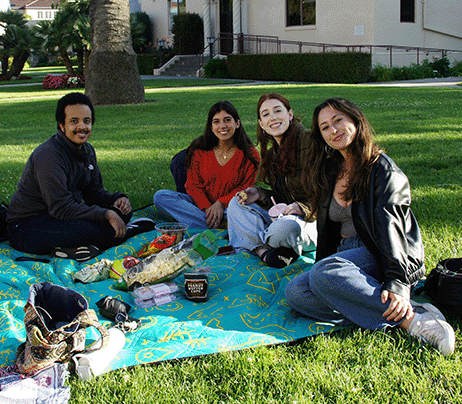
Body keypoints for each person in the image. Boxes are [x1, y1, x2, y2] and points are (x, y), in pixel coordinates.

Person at [285, 97, 455, 356]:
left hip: (380, 250)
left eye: (338, 120)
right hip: (344, 253)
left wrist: (397, 282)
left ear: (356, 120)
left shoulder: (384, 171)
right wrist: (324, 264)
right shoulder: (331, 169)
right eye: (325, 127)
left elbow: (391, 226)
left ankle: (413, 320)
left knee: (324, 274)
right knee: (296, 292)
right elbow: (327, 228)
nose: (333, 130)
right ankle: (387, 308)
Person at [6, 92, 154, 262]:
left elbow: (93, 192)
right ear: (62, 125)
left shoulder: (87, 150)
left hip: (61, 217)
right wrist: (106, 215)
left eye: (87, 121)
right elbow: (60, 207)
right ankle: (128, 232)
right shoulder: (48, 156)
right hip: (28, 225)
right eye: (74, 121)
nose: (82, 127)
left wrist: (116, 200)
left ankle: (76, 248)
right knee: (88, 230)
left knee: (121, 213)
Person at [227, 93, 317, 268]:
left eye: (278, 111)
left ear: (290, 115)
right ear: (261, 124)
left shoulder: (310, 142)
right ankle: (266, 252)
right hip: (286, 215)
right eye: (266, 114)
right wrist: (260, 195)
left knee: (286, 228)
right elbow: (282, 197)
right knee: (235, 205)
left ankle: (256, 243)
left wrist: (303, 208)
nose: (273, 118)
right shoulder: (273, 154)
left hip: (312, 221)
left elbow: (329, 193)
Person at [153, 100, 260, 229]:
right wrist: (208, 207)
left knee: (250, 210)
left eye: (227, 120)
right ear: (211, 127)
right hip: (199, 206)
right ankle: (219, 224)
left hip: (230, 207)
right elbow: (193, 185)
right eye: (216, 122)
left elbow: (244, 188)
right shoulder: (200, 150)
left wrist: (221, 203)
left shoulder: (250, 154)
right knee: (160, 196)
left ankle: (203, 223)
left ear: (237, 123)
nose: (222, 126)